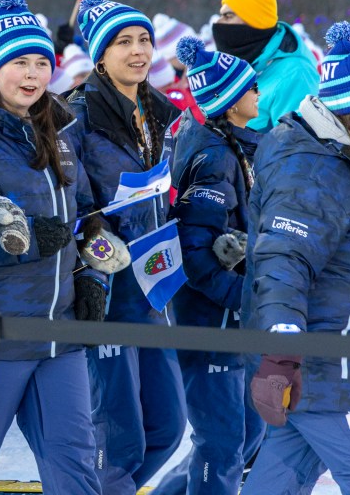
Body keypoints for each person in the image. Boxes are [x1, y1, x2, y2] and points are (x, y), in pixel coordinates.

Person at [0, 0, 124, 494]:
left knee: (76, 463)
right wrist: (25, 242)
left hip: (59, 330)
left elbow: (84, 216)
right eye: (20, 62)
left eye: (41, 62)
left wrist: (90, 275)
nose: (33, 74)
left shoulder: (58, 128)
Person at [241, 23, 350, 493]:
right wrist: (282, 354)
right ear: (349, 105)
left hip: (342, 359)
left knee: (278, 482)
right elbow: (283, 261)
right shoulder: (309, 168)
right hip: (328, 365)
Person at [65, 0, 187, 494]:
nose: (138, 51)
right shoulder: (74, 117)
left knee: (168, 427)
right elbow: (67, 204)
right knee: (118, 442)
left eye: (143, 41)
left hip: (154, 291)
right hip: (107, 294)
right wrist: (95, 242)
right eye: (123, 43)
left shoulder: (160, 112)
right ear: (100, 55)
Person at [151, 38, 266, 495]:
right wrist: (243, 298)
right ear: (230, 101)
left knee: (249, 434)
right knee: (221, 444)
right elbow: (195, 253)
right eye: (251, 87)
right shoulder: (214, 157)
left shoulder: (235, 146)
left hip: (235, 320)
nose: (259, 93)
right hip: (212, 321)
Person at [212, 0, 318, 132]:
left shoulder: (295, 74)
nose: (218, 22)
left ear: (254, 21)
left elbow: (298, 142)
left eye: (228, 16)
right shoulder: (241, 69)